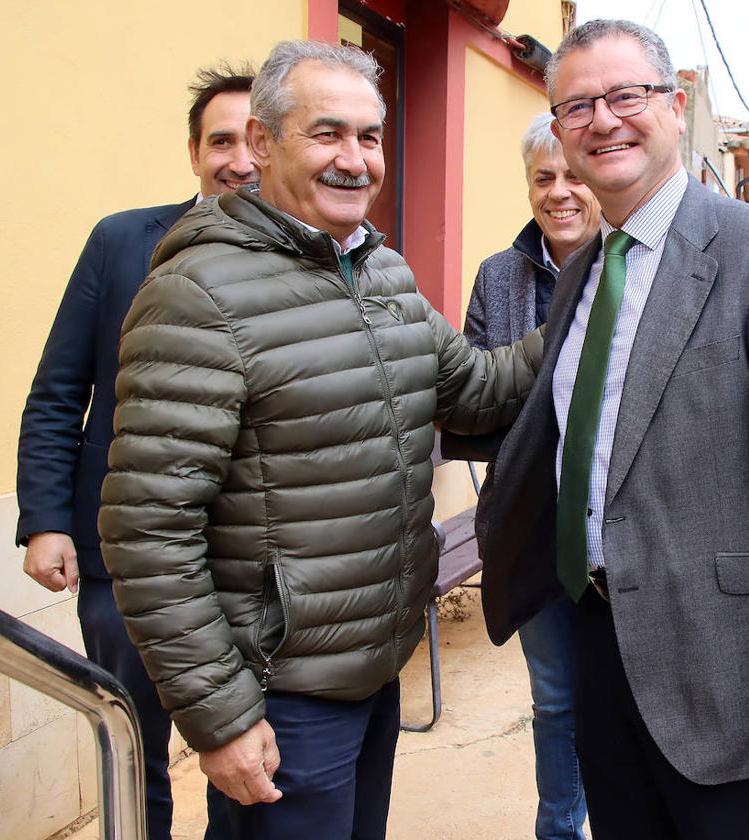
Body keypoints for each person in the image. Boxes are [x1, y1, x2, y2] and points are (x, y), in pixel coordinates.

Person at [96, 40, 543, 839]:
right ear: (264, 144)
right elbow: (149, 532)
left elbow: (474, 392)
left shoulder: (380, 272)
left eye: (369, 137)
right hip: (280, 693)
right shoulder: (198, 294)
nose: (356, 160)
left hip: (372, 668)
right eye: (327, 133)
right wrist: (223, 717)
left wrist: (593, 295)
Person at [475, 19, 749, 840]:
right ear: (557, 129)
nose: (603, 119)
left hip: (731, 675)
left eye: (628, 95)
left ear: (675, 104)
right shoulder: (588, 265)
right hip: (602, 647)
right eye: (577, 105)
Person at [15, 64, 257, 840]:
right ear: (193, 152)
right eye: (221, 140)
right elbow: (60, 388)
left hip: (245, 566)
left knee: (247, 762)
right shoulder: (121, 242)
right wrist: (47, 518)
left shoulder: (304, 259)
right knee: (132, 748)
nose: (240, 160)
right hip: (123, 557)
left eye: (257, 140)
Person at [456, 111, 599, 840]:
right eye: (544, 178)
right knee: (554, 696)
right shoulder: (499, 277)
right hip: (528, 523)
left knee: (622, 695)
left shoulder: (631, 269)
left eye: (575, 174)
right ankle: (556, 829)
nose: (560, 192)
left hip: (618, 528)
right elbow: (472, 396)